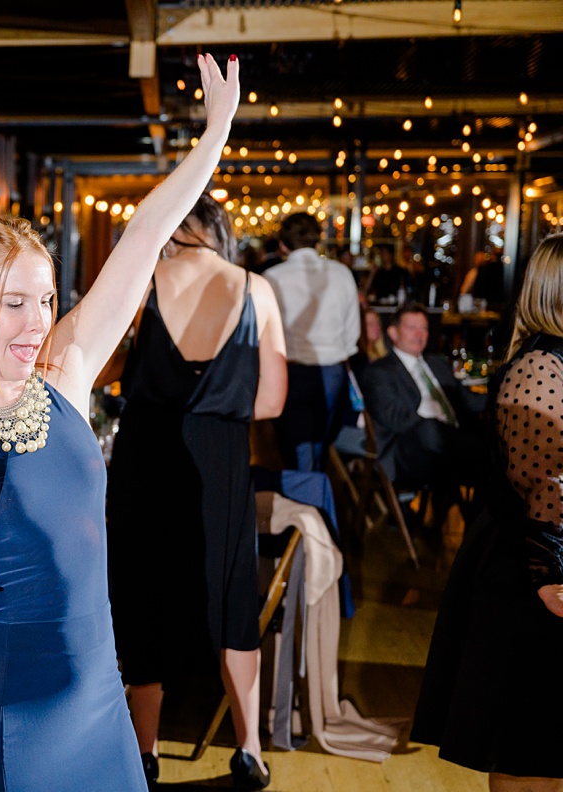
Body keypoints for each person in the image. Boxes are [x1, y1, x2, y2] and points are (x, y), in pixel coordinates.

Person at [0, 52, 239, 792]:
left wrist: (213, 138)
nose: (37, 323)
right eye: (14, 303)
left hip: (97, 690)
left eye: (47, 299)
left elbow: (144, 239)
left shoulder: (68, 372)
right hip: (3, 703)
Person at [108, 194, 287, 789]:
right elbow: (271, 401)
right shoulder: (254, 289)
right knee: (233, 595)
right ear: (218, 231)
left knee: (145, 592)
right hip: (220, 461)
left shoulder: (142, 281)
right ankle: (250, 748)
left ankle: (144, 752)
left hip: (145, 455)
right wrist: (217, 406)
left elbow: (103, 367)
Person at [415, 234, 563, 792]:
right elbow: (548, 483)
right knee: (530, 748)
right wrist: (552, 576)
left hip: (538, 563)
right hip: (529, 571)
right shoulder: (540, 366)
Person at [262, 212, 360, 472]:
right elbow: (352, 333)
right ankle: (313, 503)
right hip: (332, 371)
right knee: (317, 449)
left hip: (290, 371)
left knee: (296, 451)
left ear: (283, 245)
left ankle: (306, 505)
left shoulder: (272, 277)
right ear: (317, 241)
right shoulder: (341, 273)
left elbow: (266, 333)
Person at [355, 303, 483, 492]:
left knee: (492, 449)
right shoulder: (380, 371)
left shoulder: (438, 364)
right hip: (410, 456)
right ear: (392, 332)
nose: (419, 334)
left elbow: (467, 400)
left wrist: (506, 397)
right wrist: (445, 432)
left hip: (453, 451)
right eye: (412, 328)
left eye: (424, 328)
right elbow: (396, 419)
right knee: (429, 429)